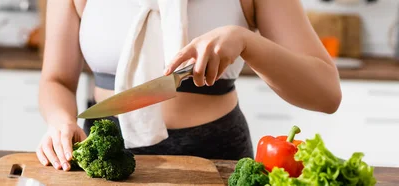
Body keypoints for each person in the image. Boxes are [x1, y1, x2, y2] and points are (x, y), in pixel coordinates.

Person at [36, 0, 342, 171]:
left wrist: (248, 42)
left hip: (216, 154)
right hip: (105, 156)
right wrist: (61, 121)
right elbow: (57, 81)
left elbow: (326, 94)